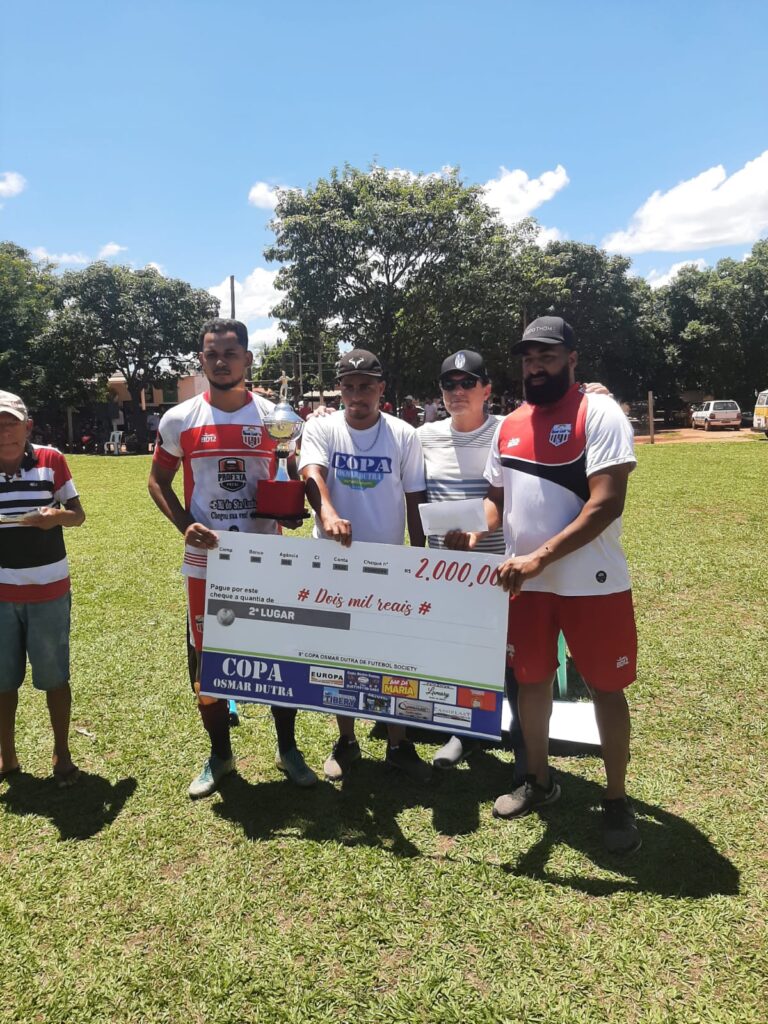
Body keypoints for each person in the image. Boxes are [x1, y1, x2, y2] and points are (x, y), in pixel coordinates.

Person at [447, 316, 640, 854]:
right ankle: (539, 780)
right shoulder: (509, 424)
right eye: (529, 358)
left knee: (606, 686)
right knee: (530, 682)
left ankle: (617, 799)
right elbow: (497, 497)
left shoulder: (599, 412)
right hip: (525, 585)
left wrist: (536, 559)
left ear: (572, 359)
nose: (536, 366)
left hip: (593, 583)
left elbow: (606, 504)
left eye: (547, 356)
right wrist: (477, 528)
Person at [148, 318, 316, 799]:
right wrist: (185, 525)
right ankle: (221, 756)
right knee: (210, 662)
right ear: (201, 361)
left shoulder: (273, 417)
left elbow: (291, 472)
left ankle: (288, 750)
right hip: (209, 562)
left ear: (247, 358)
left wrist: (293, 505)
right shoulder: (179, 419)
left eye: (230, 353)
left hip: (268, 558)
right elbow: (157, 481)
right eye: (211, 354)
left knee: (280, 656)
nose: (220, 361)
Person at [299, 349, 431, 783]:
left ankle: (398, 743)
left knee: (393, 657)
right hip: (333, 563)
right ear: (340, 389)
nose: (357, 395)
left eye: (366, 386)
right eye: (349, 386)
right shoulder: (320, 428)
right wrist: (328, 514)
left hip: (389, 562)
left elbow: (415, 498)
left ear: (381, 389)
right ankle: (347, 741)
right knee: (340, 655)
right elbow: (312, 475)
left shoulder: (404, 434)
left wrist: (421, 556)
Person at [418, 351, 526, 775]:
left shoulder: (507, 432)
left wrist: (593, 393)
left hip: (497, 564)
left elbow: (500, 497)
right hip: (447, 569)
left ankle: (521, 739)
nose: (458, 392)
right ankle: (464, 732)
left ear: (487, 389)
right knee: (459, 652)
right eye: (449, 384)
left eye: (468, 383)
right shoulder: (422, 436)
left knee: (509, 656)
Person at [0, 391, 85, 787]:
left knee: (55, 678)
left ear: (26, 425)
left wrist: (55, 518)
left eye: (10, 422)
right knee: (2, 682)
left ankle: (62, 754)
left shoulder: (51, 460)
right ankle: (8, 756)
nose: (4, 431)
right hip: (1, 594)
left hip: (48, 589)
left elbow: (78, 516)